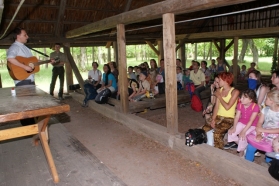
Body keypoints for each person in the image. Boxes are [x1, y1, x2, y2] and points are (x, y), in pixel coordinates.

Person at [202, 72, 240, 149]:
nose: (218, 81)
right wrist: (213, 119)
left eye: (219, 79)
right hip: (219, 116)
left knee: (217, 133)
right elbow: (216, 106)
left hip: (229, 118)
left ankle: (219, 152)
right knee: (204, 129)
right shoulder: (219, 90)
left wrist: (219, 96)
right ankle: (207, 147)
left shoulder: (235, 92)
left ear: (225, 80)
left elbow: (227, 107)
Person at [7, 27, 36, 125]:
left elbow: (32, 61)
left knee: (31, 105)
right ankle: (27, 128)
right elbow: (10, 58)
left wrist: (49, 60)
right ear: (18, 36)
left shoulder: (25, 48)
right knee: (25, 106)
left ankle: (33, 128)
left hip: (29, 79)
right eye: (25, 35)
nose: (27, 37)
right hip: (22, 80)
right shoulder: (15, 47)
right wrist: (24, 67)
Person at [245, 89, 279, 163]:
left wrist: (263, 130)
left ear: (272, 101)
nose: (265, 100)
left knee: (270, 149)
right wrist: (259, 134)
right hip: (263, 131)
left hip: (276, 134)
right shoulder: (265, 110)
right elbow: (260, 122)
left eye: (266, 98)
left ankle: (268, 163)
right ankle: (247, 162)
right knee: (251, 146)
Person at [224, 89, 260, 157]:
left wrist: (243, 131)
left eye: (244, 97)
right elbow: (237, 117)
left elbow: (251, 121)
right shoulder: (240, 105)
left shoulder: (255, 106)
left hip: (252, 125)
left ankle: (241, 152)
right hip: (242, 122)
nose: (241, 99)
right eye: (241, 97)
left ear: (250, 100)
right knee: (231, 133)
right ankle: (243, 148)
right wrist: (234, 127)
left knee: (242, 136)